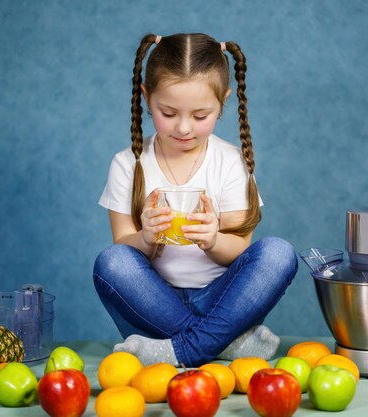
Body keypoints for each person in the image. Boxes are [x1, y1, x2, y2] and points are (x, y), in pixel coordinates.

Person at [93, 33, 297, 367]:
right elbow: (122, 248)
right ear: (146, 97)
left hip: (223, 300)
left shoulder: (230, 161)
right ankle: (223, 343)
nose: (184, 127)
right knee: (111, 263)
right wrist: (145, 238)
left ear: (223, 102)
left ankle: (183, 349)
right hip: (152, 304)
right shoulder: (126, 164)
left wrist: (214, 240)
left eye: (201, 116)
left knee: (278, 254)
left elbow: (240, 250)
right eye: (168, 112)